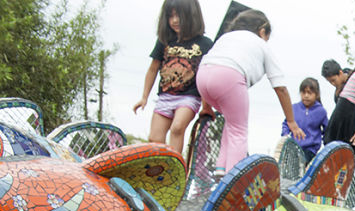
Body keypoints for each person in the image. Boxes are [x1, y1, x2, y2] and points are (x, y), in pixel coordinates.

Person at [196, 9, 304, 178]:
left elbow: (213, 64)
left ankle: (220, 168)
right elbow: (280, 88)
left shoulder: (226, 38)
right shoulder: (261, 44)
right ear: (262, 31)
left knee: (231, 124)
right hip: (229, 77)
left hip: (202, 77)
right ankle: (232, 179)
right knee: (239, 131)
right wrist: (291, 121)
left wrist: (206, 107)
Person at [133, 0, 213, 155]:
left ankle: (174, 166)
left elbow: (207, 75)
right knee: (154, 138)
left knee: (177, 128)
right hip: (165, 96)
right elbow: (153, 69)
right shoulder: (165, 42)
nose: (175, 21)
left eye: (179, 16)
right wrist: (144, 97)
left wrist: (206, 105)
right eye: (171, 16)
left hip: (189, 97)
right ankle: (159, 168)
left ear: (191, 16)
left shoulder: (205, 44)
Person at [281, 77, 328, 163]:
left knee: (302, 166)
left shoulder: (321, 111)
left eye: (309, 93)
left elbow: (327, 130)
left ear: (317, 94)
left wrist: (326, 147)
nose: (306, 96)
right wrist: (285, 135)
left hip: (310, 150)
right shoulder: (293, 108)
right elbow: (286, 124)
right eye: (303, 92)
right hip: (293, 148)